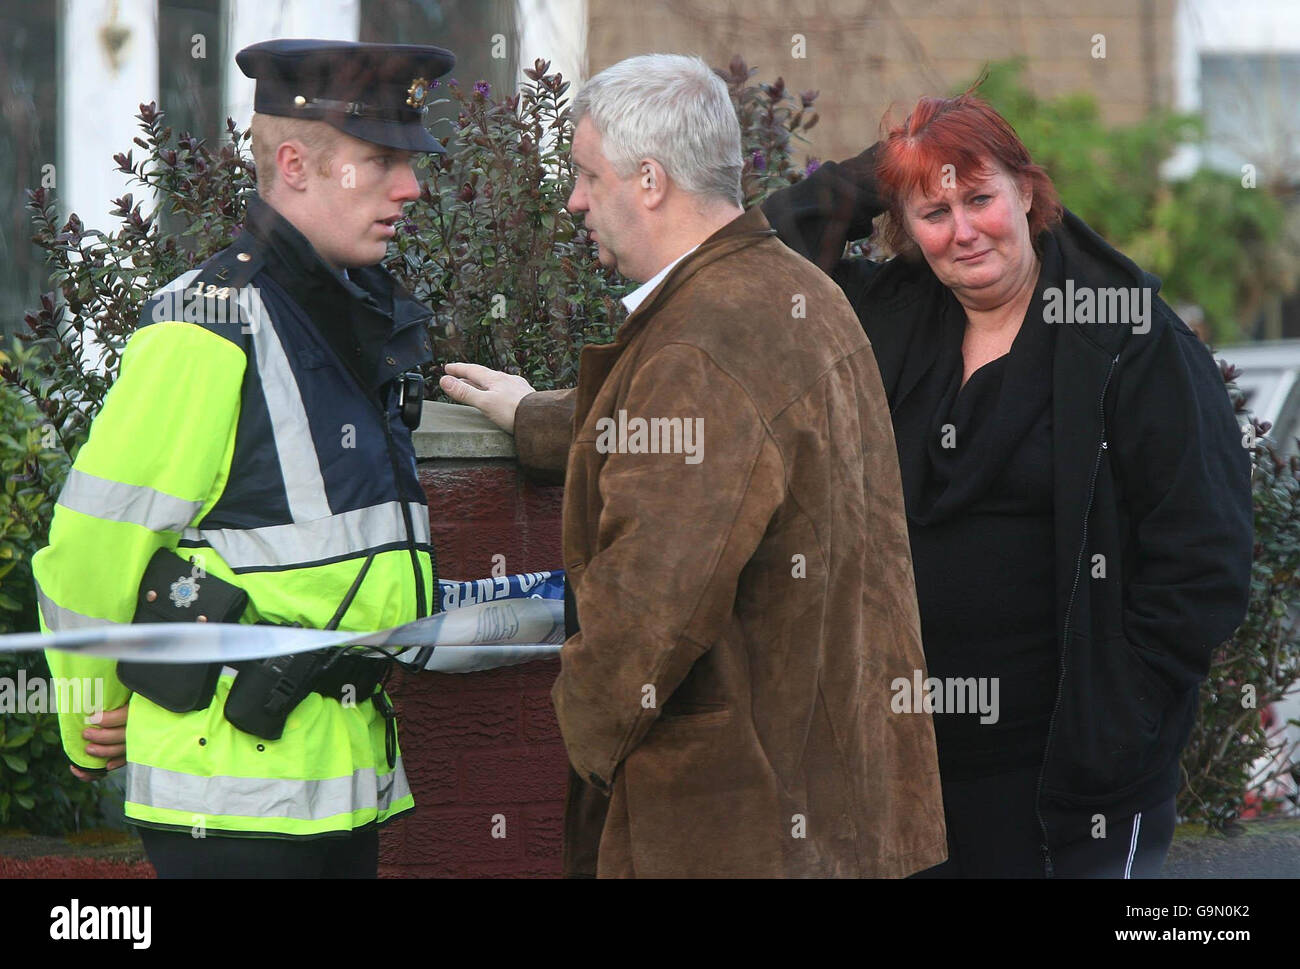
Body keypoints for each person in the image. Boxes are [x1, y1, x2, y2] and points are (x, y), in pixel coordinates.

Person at [439, 53, 947, 877]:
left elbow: (651, 609)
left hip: (726, 827)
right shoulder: (792, 293)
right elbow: (687, 432)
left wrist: (584, 726)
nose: (573, 200)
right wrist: (533, 414)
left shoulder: (703, 340)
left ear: (648, 180)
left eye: (585, 174)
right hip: (826, 819)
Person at [760, 88, 1253, 877]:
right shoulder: (890, 312)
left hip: (1074, 779)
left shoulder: (1127, 337)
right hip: (910, 770)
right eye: (933, 213)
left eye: (980, 197)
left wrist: (1123, 716)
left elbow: (1206, 556)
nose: (963, 231)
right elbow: (766, 257)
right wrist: (884, 167)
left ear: (1026, 191)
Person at [32, 38, 455, 878]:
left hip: (336, 778)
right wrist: (93, 713)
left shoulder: (356, 314)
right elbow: (92, 545)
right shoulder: (206, 323)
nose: (410, 187)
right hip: (224, 801)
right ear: (295, 164)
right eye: (380, 163)